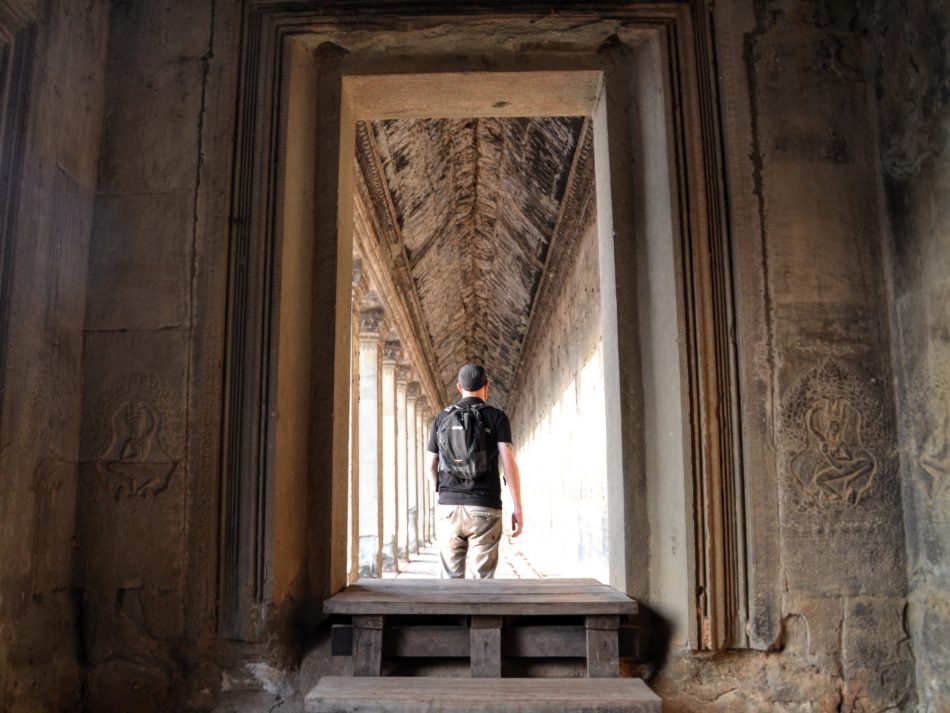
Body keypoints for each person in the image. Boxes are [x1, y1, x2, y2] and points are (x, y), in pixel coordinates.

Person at [426, 364, 524, 578]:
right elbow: (508, 463)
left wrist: (441, 494)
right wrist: (517, 507)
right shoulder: (497, 418)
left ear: (459, 387)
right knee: (483, 581)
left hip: (449, 507)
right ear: (486, 386)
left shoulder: (442, 418)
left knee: (451, 580)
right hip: (485, 507)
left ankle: (453, 612)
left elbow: (430, 466)